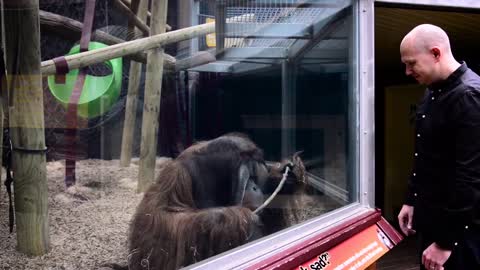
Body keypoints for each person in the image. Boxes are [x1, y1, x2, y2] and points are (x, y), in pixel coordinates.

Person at [397, 24, 480, 270]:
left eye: (411, 63)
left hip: (462, 238)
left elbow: (472, 177)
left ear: (436, 53)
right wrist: (411, 200)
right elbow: (424, 155)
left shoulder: (469, 96)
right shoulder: (433, 91)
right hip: (435, 225)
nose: (407, 71)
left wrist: (445, 243)